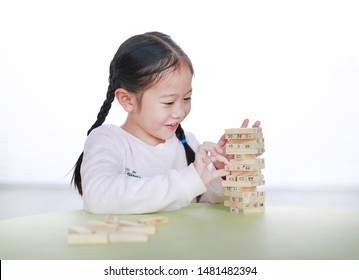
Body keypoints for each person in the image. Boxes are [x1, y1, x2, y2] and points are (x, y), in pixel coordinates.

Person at [72, 31, 261, 214]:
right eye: (168, 102)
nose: (180, 112)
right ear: (127, 100)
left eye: (187, 98)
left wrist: (223, 171)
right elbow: (100, 198)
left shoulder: (187, 143)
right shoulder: (108, 140)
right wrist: (190, 179)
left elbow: (204, 204)